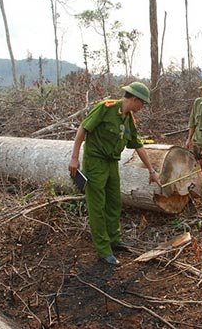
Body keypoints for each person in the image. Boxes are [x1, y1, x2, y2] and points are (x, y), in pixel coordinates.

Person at [69, 82, 161, 266]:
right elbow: (83, 130)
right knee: (97, 204)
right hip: (95, 161)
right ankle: (103, 250)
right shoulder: (105, 108)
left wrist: (152, 170)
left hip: (112, 162)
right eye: (142, 103)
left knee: (113, 201)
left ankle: (114, 240)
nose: (143, 107)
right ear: (134, 99)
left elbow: (138, 145)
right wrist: (74, 158)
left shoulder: (129, 119)